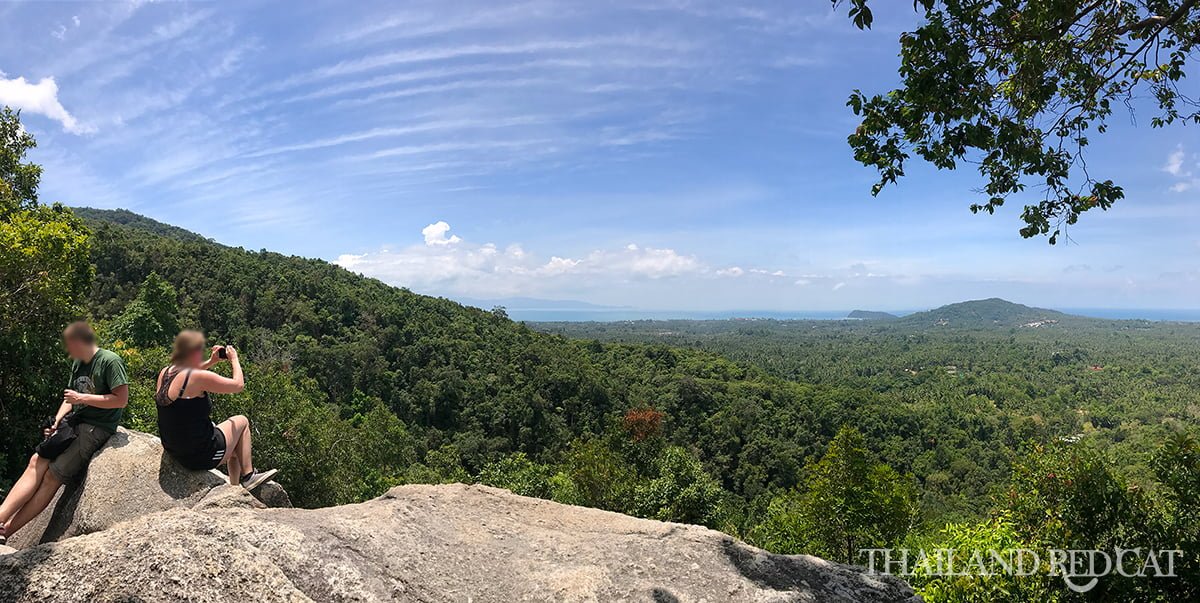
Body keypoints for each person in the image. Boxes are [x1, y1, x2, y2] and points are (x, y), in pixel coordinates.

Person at [0, 322, 128, 545]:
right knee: (36, 461)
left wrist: (83, 399)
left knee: (52, 476)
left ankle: (7, 531)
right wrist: (57, 421)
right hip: (75, 421)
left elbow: (121, 399)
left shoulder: (110, 361)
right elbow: (69, 399)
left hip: (97, 427)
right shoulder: (79, 363)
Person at [155, 330, 276, 490]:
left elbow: (187, 374)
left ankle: (234, 488)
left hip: (175, 450)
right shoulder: (197, 378)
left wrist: (211, 362)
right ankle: (248, 476)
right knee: (241, 422)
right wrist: (234, 359)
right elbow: (238, 385)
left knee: (234, 446)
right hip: (199, 455)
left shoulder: (165, 373)